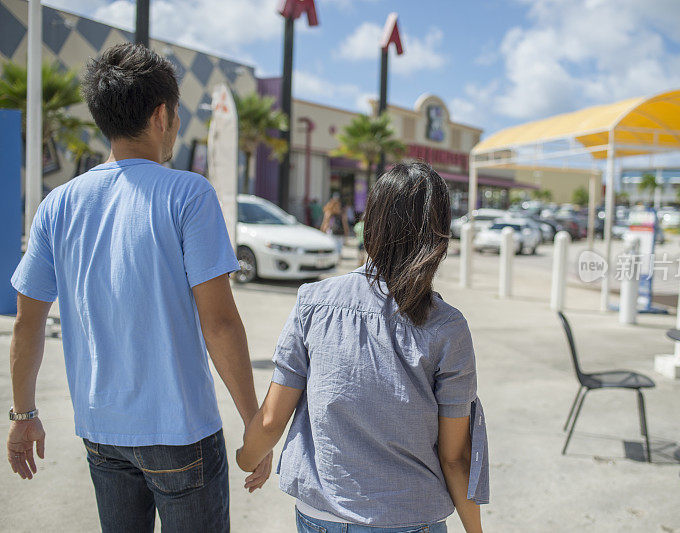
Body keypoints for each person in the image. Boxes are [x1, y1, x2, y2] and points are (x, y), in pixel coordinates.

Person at [7, 43, 269, 532]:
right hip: (181, 433)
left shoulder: (58, 204)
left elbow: (28, 321)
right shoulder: (188, 193)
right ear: (162, 115)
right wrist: (255, 422)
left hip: (101, 433)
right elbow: (219, 321)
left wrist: (23, 413)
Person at [236, 162, 489, 533]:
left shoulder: (313, 302)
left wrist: (248, 457)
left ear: (371, 222)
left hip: (321, 518)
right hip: (410, 519)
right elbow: (455, 458)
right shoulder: (448, 328)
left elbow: (273, 418)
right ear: (439, 235)